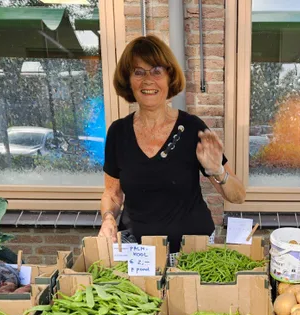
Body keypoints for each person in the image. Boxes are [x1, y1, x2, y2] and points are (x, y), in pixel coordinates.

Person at [99, 35, 245, 253]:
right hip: (138, 251)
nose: (148, 80)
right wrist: (108, 217)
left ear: (169, 77)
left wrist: (218, 170)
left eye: (157, 70)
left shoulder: (192, 127)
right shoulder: (118, 132)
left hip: (192, 251)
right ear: (128, 80)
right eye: (138, 72)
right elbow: (112, 193)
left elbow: (238, 196)